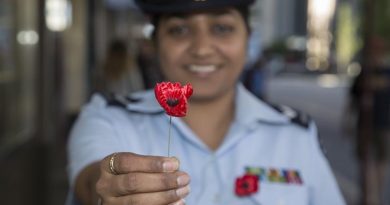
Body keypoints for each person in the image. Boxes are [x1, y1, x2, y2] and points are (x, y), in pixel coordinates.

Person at [66, 0, 346, 204]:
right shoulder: (108, 117)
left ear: (248, 37)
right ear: (155, 43)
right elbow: (92, 181)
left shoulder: (295, 134)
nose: (201, 49)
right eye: (179, 30)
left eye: (222, 28)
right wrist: (110, 190)